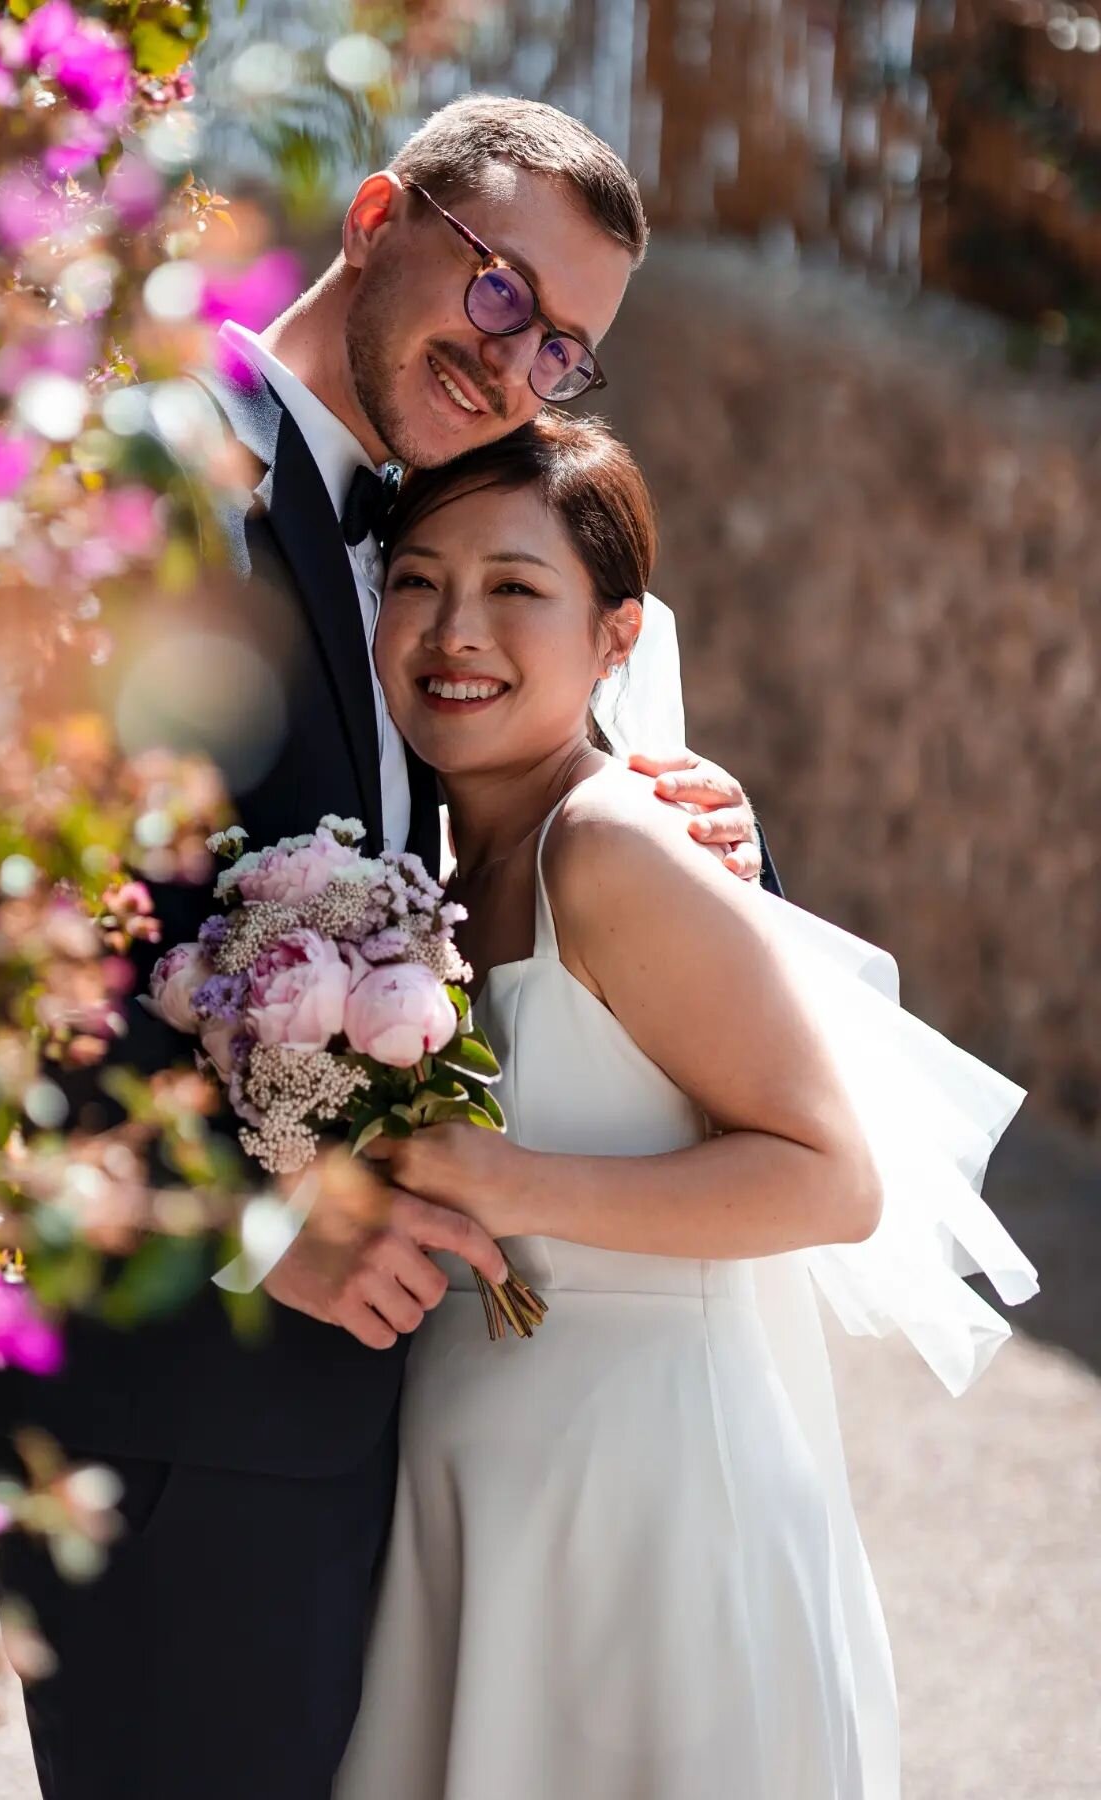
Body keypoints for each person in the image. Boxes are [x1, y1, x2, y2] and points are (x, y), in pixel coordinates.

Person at [0, 99, 773, 1799]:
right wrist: (255, 1227)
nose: (519, 359)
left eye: (566, 347)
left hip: (374, 1429)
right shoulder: (155, 477)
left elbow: (462, 832)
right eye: (498, 292)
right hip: (186, 1413)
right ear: (382, 213)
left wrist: (679, 806)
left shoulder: (412, 538)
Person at [333, 411, 1034, 1800]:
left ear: (616, 637)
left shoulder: (610, 847)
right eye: (417, 579)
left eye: (516, 589)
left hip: (651, 1501)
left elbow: (831, 1177)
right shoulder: (423, 868)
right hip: (480, 1491)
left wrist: (509, 1180)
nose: (454, 628)